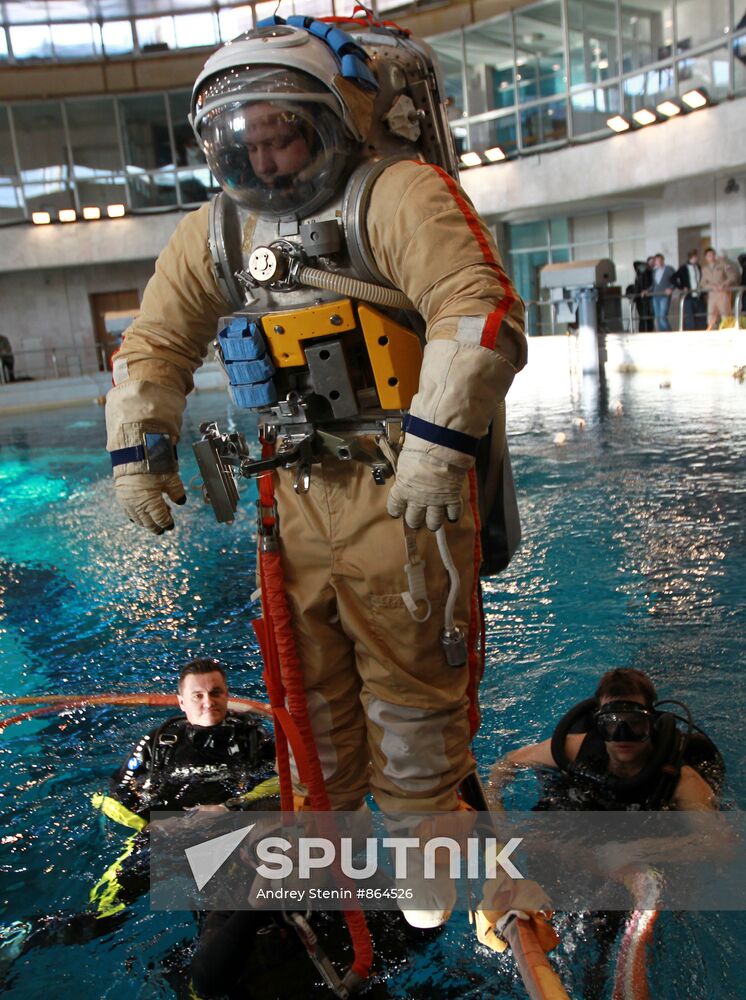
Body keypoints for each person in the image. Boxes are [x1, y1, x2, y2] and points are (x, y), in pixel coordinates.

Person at [104, 15, 526, 932]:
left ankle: (422, 840)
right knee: (308, 685)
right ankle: (333, 835)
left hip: (400, 486)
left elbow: (479, 309)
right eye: (243, 143)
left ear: (327, 124)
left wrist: (435, 444)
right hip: (291, 495)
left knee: (414, 677)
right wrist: (139, 448)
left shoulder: (396, 197)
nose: (265, 159)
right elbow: (155, 341)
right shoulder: (215, 232)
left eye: (281, 134)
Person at [0, 659, 277, 978]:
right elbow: (120, 791)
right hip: (167, 835)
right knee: (102, 917)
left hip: (225, 836)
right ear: (181, 702)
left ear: (228, 695)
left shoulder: (252, 737)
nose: (208, 702)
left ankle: (188, 977)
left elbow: (282, 783)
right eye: (198, 695)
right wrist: (154, 822)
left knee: (223, 933)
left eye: (216, 692)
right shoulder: (161, 740)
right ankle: (22, 936)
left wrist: (231, 807)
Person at [488, 668, 720, 811]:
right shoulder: (573, 748)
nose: (622, 735)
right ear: (599, 725)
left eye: (635, 723)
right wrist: (495, 811)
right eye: (612, 723)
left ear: (652, 724)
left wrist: (640, 850)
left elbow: (719, 845)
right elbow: (507, 763)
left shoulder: (679, 779)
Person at [701, 247, 739, 330]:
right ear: (706, 257)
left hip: (723, 293)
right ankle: (712, 335)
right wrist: (711, 287)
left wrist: (724, 284)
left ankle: (728, 332)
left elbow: (732, 276)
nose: (712, 257)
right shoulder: (705, 269)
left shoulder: (723, 265)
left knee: (726, 316)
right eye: (709, 255)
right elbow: (703, 283)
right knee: (711, 317)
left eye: (713, 254)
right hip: (712, 295)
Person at [674, 249, 706, 331]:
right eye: (695, 256)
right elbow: (673, 278)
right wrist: (682, 287)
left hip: (699, 295)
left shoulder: (698, 267)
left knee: (701, 316)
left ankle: (701, 331)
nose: (697, 258)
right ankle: (690, 331)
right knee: (689, 317)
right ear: (691, 257)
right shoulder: (684, 267)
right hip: (689, 296)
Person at [648, 253, 676, 332]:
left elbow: (675, 280)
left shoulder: (669, 269)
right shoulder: (654, 271)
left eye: (660, 260)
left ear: (663, 260)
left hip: (664, 295)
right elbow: (654, 284)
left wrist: (671, 288)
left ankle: (669, 333)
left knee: (663, 316)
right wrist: (647, 290)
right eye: (657, 261)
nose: (658, 262)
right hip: (655, 295)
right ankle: (661, 333)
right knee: (657, 317)